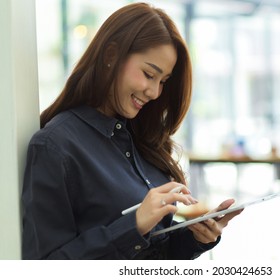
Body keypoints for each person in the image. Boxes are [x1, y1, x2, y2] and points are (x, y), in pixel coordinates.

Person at [22, 2, 242, 260]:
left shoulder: (140, 139)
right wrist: (134, 225)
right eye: (149, 74)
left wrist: (192, 237)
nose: (155, 92)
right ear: (111, 55)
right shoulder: (55, 147)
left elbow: (151, 251)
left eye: (163, 81)